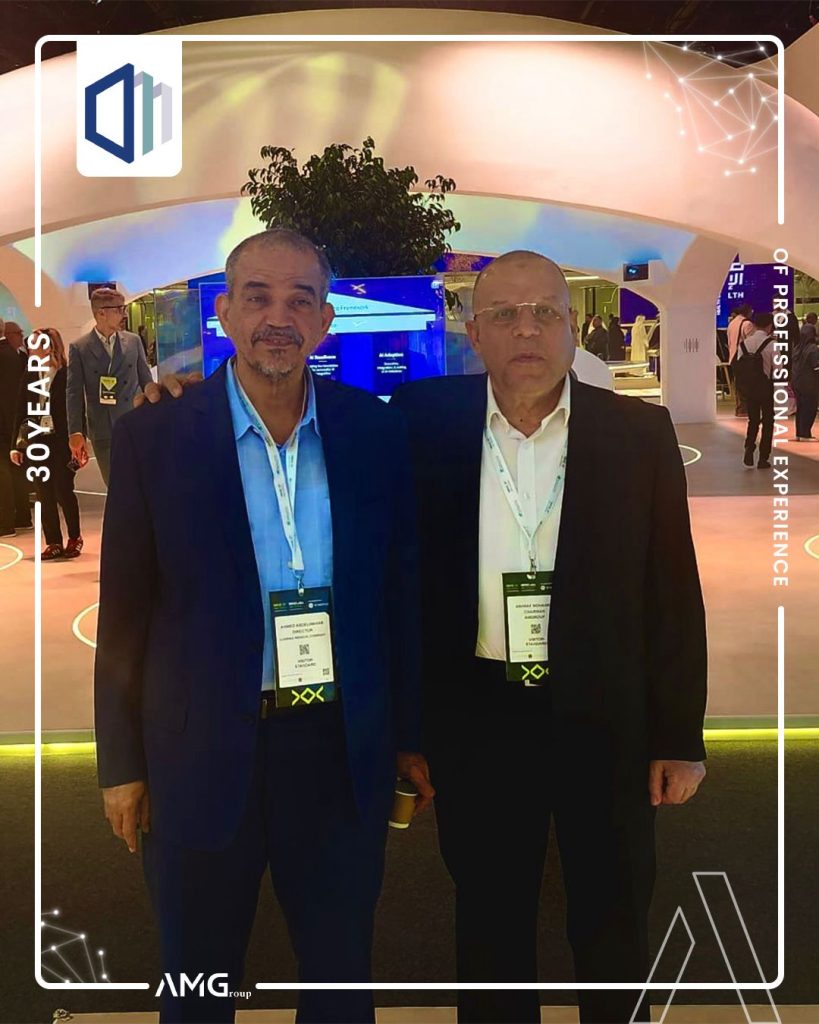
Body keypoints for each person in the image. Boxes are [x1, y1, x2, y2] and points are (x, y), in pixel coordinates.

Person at [95, 228, 433, 1024]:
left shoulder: (374, 431)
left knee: (340, 978)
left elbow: (399, 596)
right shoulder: (156, 434)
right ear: (225, 312)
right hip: (198, 754)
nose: (278, 318)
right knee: (197, 982)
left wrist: (409, 735)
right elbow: (125, 612)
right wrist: (121, 763)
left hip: (336, 751)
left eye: (300, 300)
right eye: (257, 297)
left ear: (324, 321)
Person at [390, 250, 707, 1024]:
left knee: (613, 917)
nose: (525, 329)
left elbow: (671, 592)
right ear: (473, 333)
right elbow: (397, 583)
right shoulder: (421, 420)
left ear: (572, 328)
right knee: (488, 922)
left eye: (543, 313)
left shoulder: (637, 432)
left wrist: (678, 736)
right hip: (478, 716)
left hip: (606, 717)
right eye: (503, 314)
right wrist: (185, 394)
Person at [66, 287, 152, 485]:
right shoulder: (80, 348)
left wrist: (155, 415)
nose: (124, 314)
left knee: (141, 483)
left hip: (135, 424)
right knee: (115, 485)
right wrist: (75, 431)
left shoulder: (133, 341)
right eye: (118, 309)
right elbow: (74, 392)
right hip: (103, 428)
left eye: (124, 308)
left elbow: (146, 381)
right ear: (101, 313)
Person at [9, 328, 82, 559]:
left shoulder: (66, 374)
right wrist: (16, 445)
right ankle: (53, 542)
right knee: (43, 491)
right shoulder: (30, 375)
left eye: (35, 344)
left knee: (63, 489)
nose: (30, 349)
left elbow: (76, 409)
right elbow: (20, 410)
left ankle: (74, 537)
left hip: (62, 439)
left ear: (49, 346)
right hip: (37, 439)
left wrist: (79, 438)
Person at [0, 317, 33, 536]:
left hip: (3, 422)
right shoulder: (15, 355)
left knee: (3, 471)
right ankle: (22, 516)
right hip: (14, 420)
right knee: (16, 468)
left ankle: (5, 523)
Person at [735, 311, 775, 468]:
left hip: (749, 388)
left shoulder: (744, 344)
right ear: (769, 326)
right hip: (765, 387)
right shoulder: (771, 344)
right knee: (768, 421)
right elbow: (778, 368)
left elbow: (740, 366)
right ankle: (763, 457)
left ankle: (749, 447)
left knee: (753, 420)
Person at [792, 315, 819, 441]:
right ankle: (805, 433)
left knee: (800, 408)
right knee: (810, 408)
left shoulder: (797, 348)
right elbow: (816, 367)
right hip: (810, 384)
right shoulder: (813, 349)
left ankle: (799, 433)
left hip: (797, 382)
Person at [727, 304, 754, 417]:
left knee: (738, 384)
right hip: (743, 358)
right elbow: (751, 342)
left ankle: (740, 408)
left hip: (733, 356)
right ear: (748, 312)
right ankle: (745, 408)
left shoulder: (732, 323)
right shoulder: (747, 324)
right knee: (746, 384)